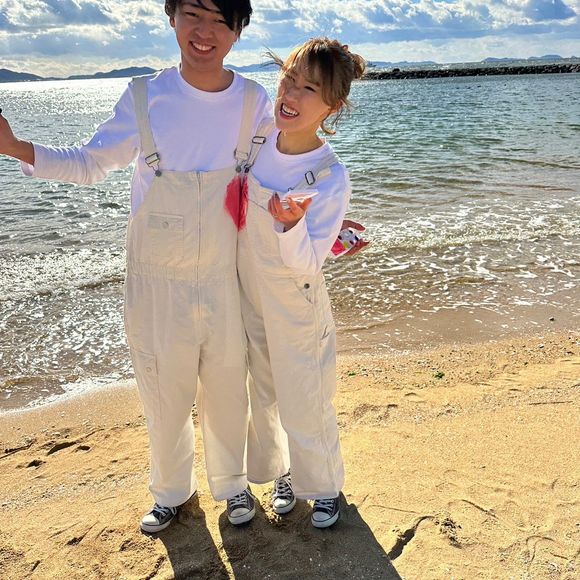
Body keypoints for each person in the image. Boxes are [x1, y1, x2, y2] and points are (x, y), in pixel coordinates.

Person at [0, 0, 272, 532]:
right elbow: (90, 163)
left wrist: (323, 215)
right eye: (194, 13)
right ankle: (171, 492)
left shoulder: (252, 100)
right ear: (171, 16)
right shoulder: (145, 96)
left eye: (221, 19)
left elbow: (279, 172)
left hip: (227, 275)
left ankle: (233, 486)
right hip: (156, 280)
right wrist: (15, 147)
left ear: (238, 31)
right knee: (163, 390)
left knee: (227, 388)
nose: (205, 31)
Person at [233, 38, 366, 528]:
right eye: (289, 77)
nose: (290, 94)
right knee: (263, 390)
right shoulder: (260, 138)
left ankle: (324, 486)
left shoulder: (330, 175)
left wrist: (289, 226)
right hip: (250, 290)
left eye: (309, 88)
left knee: (305, 395)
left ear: (333, 106)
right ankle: (283, 473)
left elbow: (308, 265)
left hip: (296, 298)